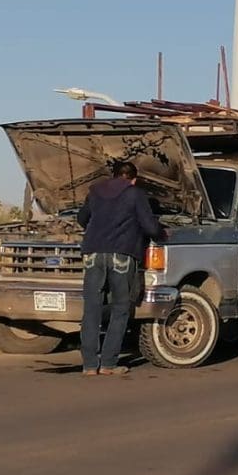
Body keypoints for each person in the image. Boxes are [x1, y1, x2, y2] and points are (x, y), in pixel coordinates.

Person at [77, 161, 164, 376]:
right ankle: (108, 363)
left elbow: (82, 219)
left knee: (91, 309)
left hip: (93, 253)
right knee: (120, 309)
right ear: (133, 179)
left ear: (113, 175)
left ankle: (89, 365)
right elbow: (149, 226)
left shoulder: (95, 191)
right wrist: (162, 234)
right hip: (122, 254)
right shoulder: (135, 194)